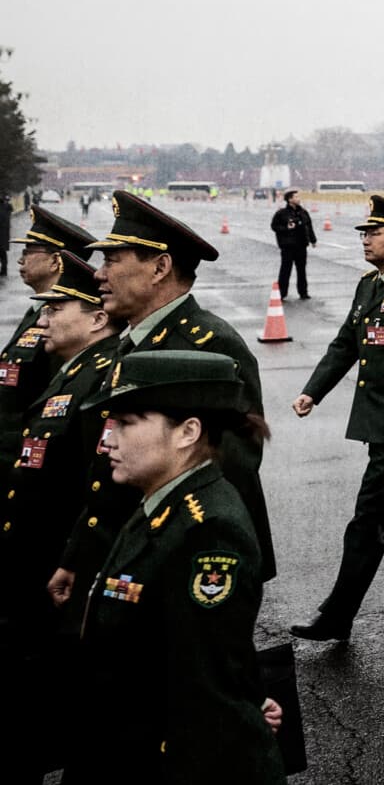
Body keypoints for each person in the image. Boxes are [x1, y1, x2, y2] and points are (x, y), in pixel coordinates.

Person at [64, 351, 286, 783]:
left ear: (187, 432)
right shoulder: (161, 500)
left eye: (126, 424)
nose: (108, 440)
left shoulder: (208, 529)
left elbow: (202, 689)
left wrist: (240, 700)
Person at [59, 193, 276, 595]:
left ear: (160, 267)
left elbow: (233, 467)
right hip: (128, 554)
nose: (98, 275)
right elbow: (105, 471)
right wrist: (78, 556)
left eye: (112, 260)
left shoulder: (208, 344)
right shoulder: (130, 343)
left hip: (178, 561)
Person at [289, 195, 384, 642]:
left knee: (368, 519)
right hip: (380, 422)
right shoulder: (369, 285)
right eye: (365, 233)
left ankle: (339, 613)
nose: (366, 240)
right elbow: (345, 344)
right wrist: (311, 392)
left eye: (374, 233)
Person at [0, 250, 116, 677]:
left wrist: (72, 561)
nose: (43, 320)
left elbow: (96, 486)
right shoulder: (73, 371)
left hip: (53, 559)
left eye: (56, 308)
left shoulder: (98, 379)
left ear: (98, 319)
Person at [4, 205, 96, 436]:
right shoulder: (38, 310)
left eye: (28, 252)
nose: (20, 260)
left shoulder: (66, 322)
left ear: (56, 261)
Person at [269, 188, 317, 300]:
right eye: (296, 197)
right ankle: (282, 293)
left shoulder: (303, 212)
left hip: (301, 245)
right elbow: (274, 226)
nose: (298, 199)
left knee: (302, 271)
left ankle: (303, 292)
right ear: (290, 199)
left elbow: (309, 226)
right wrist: (286, 228)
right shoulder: (282, 213)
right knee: (285, 270)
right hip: (288, 246)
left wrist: (313, 240)